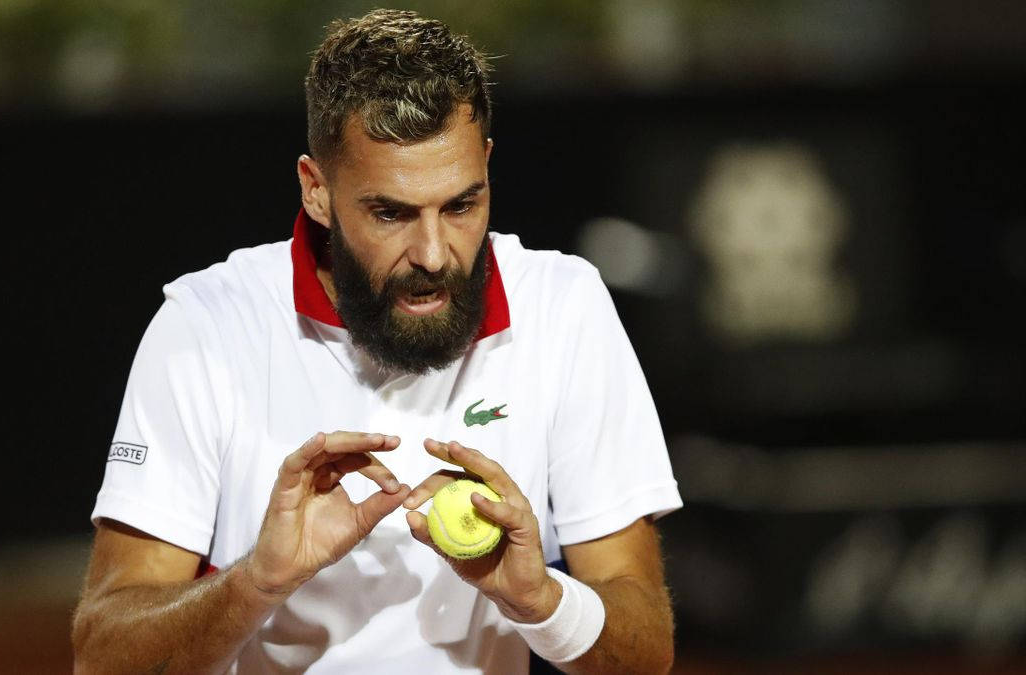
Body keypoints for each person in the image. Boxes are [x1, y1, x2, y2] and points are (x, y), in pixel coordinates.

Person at [72, 9, 682, 674]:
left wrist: (543, 600)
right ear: (318, 192)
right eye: (390, 212)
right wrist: (259, 580)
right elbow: (103, 656)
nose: (432, 253)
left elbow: (644, 650)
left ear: (487, 166)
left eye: (460, 205)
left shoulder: (564, 308)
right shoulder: (205, 328)